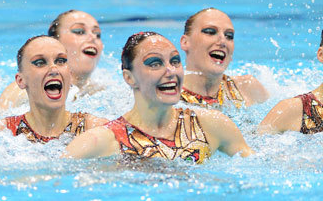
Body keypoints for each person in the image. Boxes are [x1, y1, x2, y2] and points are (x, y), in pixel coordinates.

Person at [65, 32, 252, 163]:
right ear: (129, 78)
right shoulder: (102, 141)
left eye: (175, 61)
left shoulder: (213, 125)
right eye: (155, 63)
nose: (170, 71)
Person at [0, 36, 108, 143]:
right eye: (40, 62)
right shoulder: (2, 132)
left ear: (70, 75)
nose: (54, 69)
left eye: (61, 61)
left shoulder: (97, 129)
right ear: (21, 80)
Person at [0, 10, 105, 109]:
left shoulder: (100, 91)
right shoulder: (25, 89)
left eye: (97, 34)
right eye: (79, 31)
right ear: (55, 42)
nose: (92, 37)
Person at [179, 8, 268, 108]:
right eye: (210, 32)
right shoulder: (166, 98)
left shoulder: (247, 88)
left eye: (229, 36)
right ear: (185, 42)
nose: (223, 41)